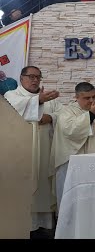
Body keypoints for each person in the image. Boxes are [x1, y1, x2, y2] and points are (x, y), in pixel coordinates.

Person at [4, 66, 62, 234]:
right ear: (21, 78)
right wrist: (38, 101)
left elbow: (63, 115)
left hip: (45, 149)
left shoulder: (49, 99)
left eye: (38, 77)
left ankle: (44, 227)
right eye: (31, 76)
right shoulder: (12, 96)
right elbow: (13, 110)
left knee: (43, 186)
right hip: (20, 152)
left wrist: (51, 117)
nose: (35, 80)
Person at [50, 82, 95, 209]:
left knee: (86, 197)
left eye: (93, 97)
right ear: (76, 97)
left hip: (88, 160)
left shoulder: (89, 111)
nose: (91, 101)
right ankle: (65, 227)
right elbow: (71, 131)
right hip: (69, 162)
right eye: (87, 98)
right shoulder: (67, 112)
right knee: (69, 198)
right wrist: (91, 115)